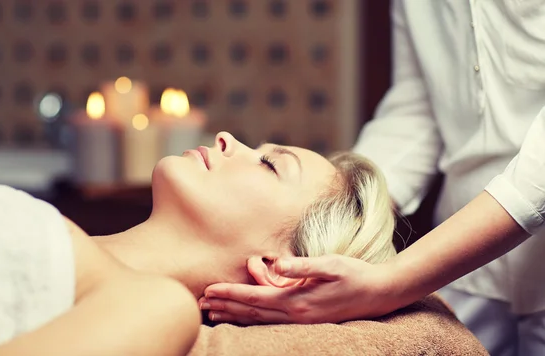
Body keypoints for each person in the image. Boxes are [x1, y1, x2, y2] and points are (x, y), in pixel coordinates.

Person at [199, 1, 545, 355]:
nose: (224, 138)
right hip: (468, 267)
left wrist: (391, 281)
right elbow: (417, 109)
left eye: (270, 165)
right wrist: (339, 218)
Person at [0, 131, 397, 355]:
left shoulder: (158, 306)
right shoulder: (54, 230)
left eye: (269, 164)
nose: (227, 137)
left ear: (279, 268)